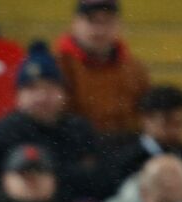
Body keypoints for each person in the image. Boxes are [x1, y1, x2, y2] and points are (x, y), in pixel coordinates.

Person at [0, 41, 100, 202]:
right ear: (18, 95)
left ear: (63, 93)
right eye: (32, 89)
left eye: (50, 88)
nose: (42, 97)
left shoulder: (79, 128)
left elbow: (99, 179)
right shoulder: (5, 133)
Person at [55, 0, 150, 136]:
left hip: (123, 148)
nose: (100, 30)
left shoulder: (135, 70)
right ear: (75, 23)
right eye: (92, 21)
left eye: (108, 22)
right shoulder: (57, 66)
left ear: (119, 25)